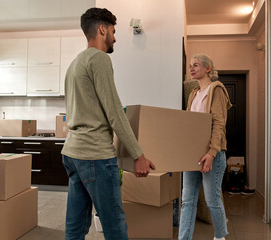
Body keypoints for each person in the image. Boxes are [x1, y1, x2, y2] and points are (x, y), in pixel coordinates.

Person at [61, 7, 155, 240]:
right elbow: (114, 112)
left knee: (75, 227)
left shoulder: (75, 63)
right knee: (115, 227)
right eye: (113, 31)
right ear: (102, 29)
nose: (115, 37)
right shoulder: (99, 59)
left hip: (73, 154)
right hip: (95, 156)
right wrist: (138, 154)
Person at [179, 54, 232, 240]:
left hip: (213, 155)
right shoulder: (193, 94)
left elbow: (219, 124)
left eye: (196, 65)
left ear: (208, 68)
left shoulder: (216, 90)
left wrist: (211, 153)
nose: (191, 68)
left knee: (212, 201)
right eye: (190, 66)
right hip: (192, 155)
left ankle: (219, 237)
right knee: (187, 202)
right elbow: (189, 124)